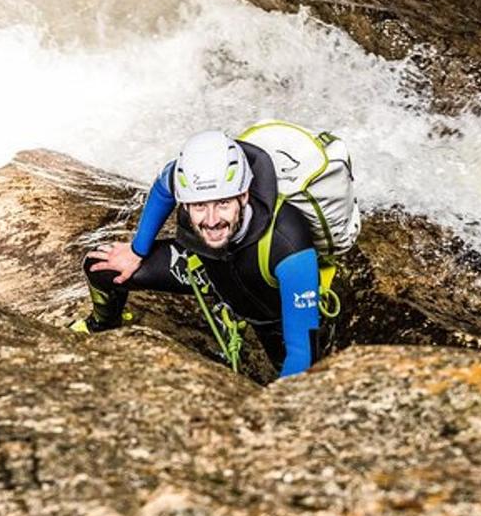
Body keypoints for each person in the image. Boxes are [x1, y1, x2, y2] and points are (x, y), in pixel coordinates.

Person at [72, 129, 325, 378]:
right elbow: (163, 188)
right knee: (101, 266)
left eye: (223, 203)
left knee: (294, 370)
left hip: (269, 311)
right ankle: (102, 327)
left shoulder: (289, 243)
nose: (212, 220)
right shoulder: (187, 180)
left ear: (243, 195)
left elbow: (302, 352)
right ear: (185, 202)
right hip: (207, 270)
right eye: (200, 206)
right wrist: (138, 249)